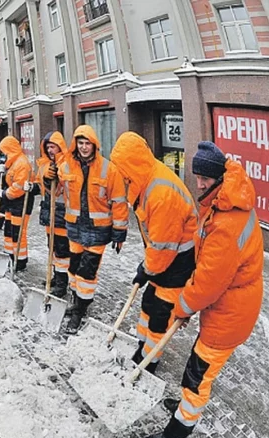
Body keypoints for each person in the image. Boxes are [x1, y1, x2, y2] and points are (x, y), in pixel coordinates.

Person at [140, 141, 264, 438]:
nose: (199, 184)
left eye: (204, 178)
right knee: (197, 365)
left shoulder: (227, 223)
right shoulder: (224, 203)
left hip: (230, 315)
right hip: (227, 306)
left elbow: (209, 282)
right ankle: (184, 408)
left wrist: (182, 308)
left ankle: (178, 430)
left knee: (198, 376)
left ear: (219, 177)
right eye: (197, 177)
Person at [110, 132, 198, 374]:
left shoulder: (161, 194)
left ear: (132, 165)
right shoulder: (145, 180)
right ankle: (142, 345)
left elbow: (163, 246)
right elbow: (157, 244)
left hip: (179, 262)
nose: (122, 178)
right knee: (149, 300)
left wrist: (146, 269)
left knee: (161, 312)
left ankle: (149, 361)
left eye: (123, 171)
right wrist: (148, 268)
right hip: (164, 257)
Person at [57, 125, 129, 335]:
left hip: (98, 230)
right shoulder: (66, 166)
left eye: (87, 143)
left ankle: (80, 310)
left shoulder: (109, 169)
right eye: (80, 143)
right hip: (74, 227)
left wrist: (119, 232)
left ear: (94, 145)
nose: (84, 147)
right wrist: (47, 177)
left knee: (87, 271)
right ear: (75, 144)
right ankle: (76, 301)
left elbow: (119, 203)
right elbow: (56, 188)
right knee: (73, 268)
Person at [36, 131, 71, 298]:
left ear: (60, 147)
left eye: (53, 147)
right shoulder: (44, 164)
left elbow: (63, 188)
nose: (50, 150)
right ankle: (56, 277)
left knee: (62, 251)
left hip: (62, 215)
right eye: (48, 147)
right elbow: (41, 185)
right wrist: (43, 179)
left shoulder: (67, 164)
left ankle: (62, 284)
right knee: (52, 249)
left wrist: (57, 175)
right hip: (49, 214)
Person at [0, 136, 35, 272]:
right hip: (11, 203)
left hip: (21, 202)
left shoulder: (22, 163)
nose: (3, 153)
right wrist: (3, 172)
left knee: (18, 233)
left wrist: (3, 193)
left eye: (4, 150)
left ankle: (20, 260)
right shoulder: (13, 162)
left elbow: (18, 188)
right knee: (8, 230)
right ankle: (10, 256)